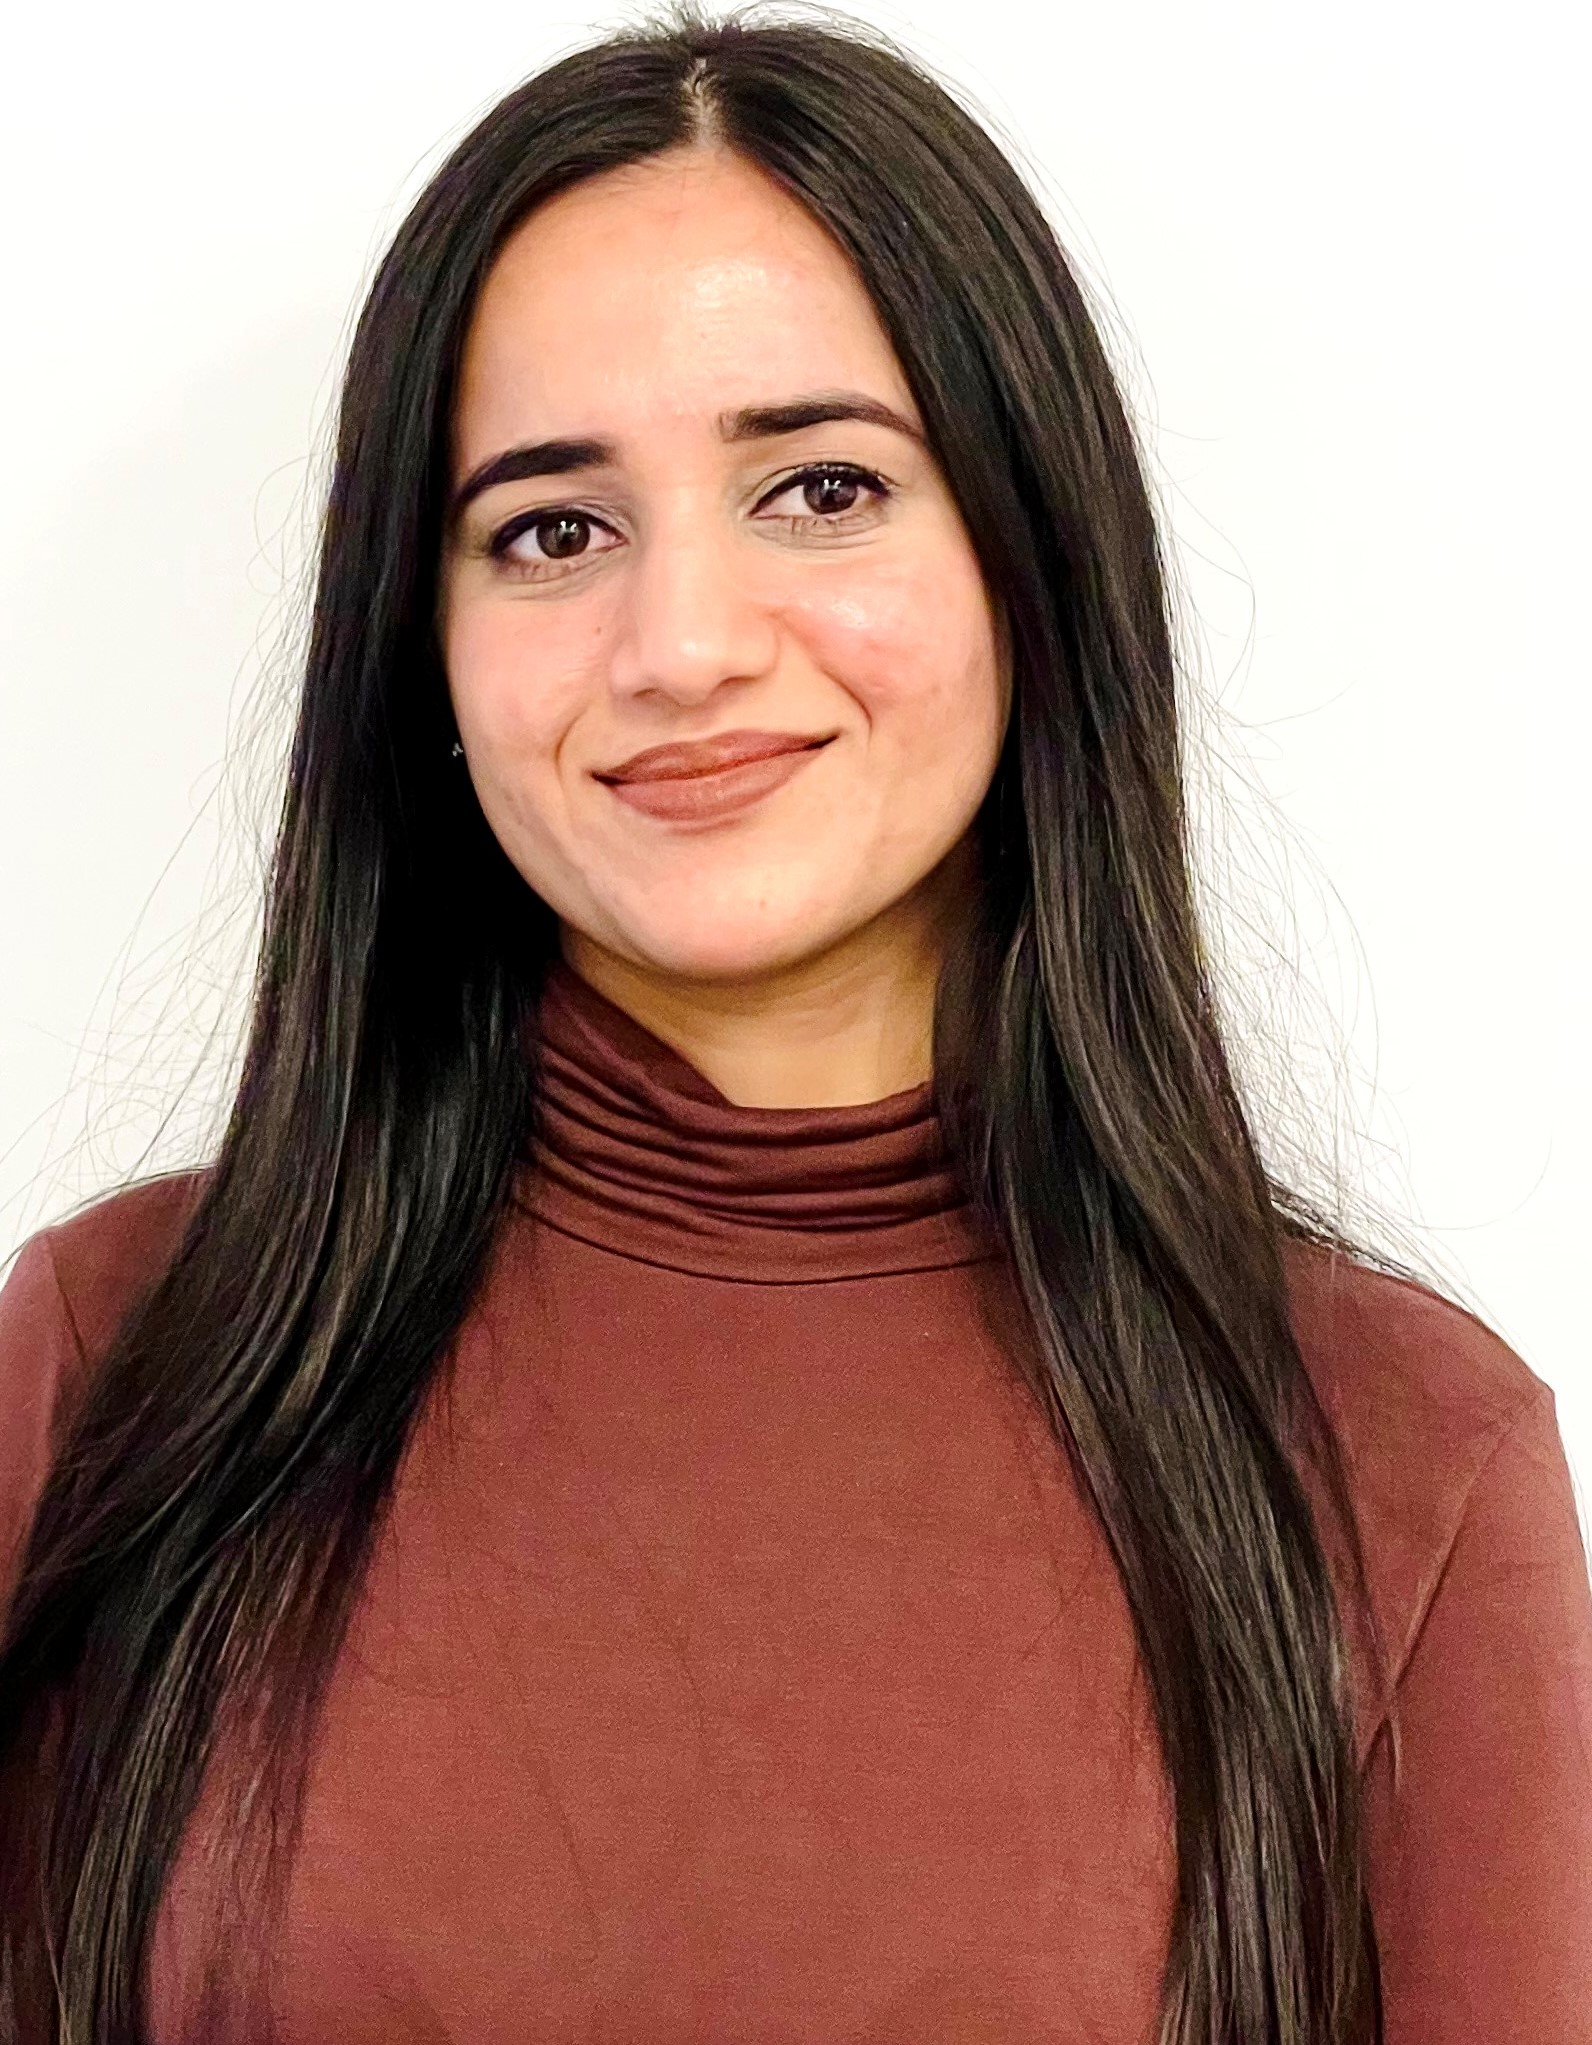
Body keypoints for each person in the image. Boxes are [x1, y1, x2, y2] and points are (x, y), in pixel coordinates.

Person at [2, 5, 1588, 2041]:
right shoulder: (123, 1369)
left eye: (822, 488)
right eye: (551, 529)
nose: (680, 646)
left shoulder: (1399, 1452)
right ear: (424, 648)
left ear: (1028, 557)